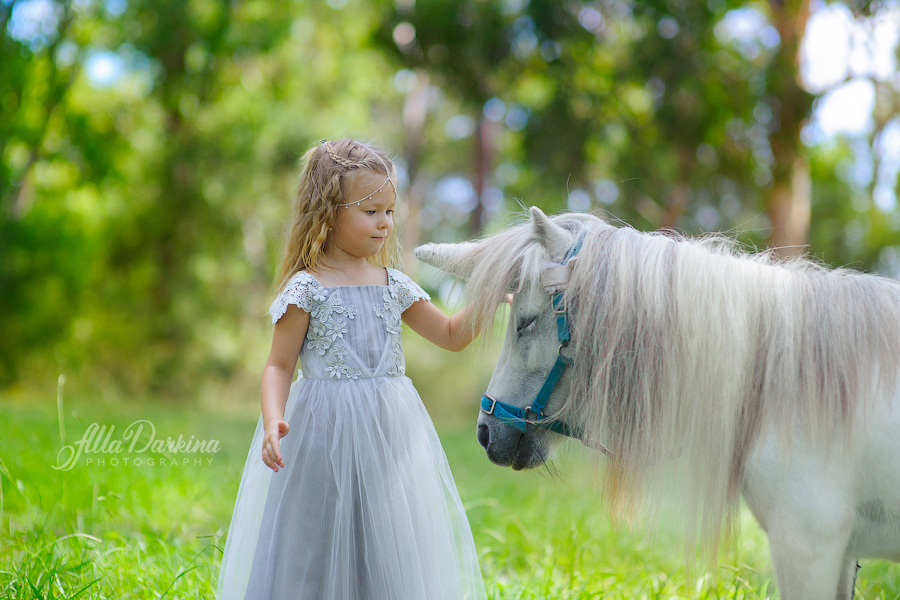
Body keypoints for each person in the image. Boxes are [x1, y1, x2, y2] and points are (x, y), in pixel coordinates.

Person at [216, 139, 487, 600]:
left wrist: (488, 296)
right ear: (328, 211)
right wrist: (271, 421)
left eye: (390, 211)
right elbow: (278, 366)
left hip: (389, 432)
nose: (384, 223)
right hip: (321, 433)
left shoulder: (394, 283)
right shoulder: (307, 288)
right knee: (314, 536)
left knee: (387, 537)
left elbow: (450, 335)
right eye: (370, 211)